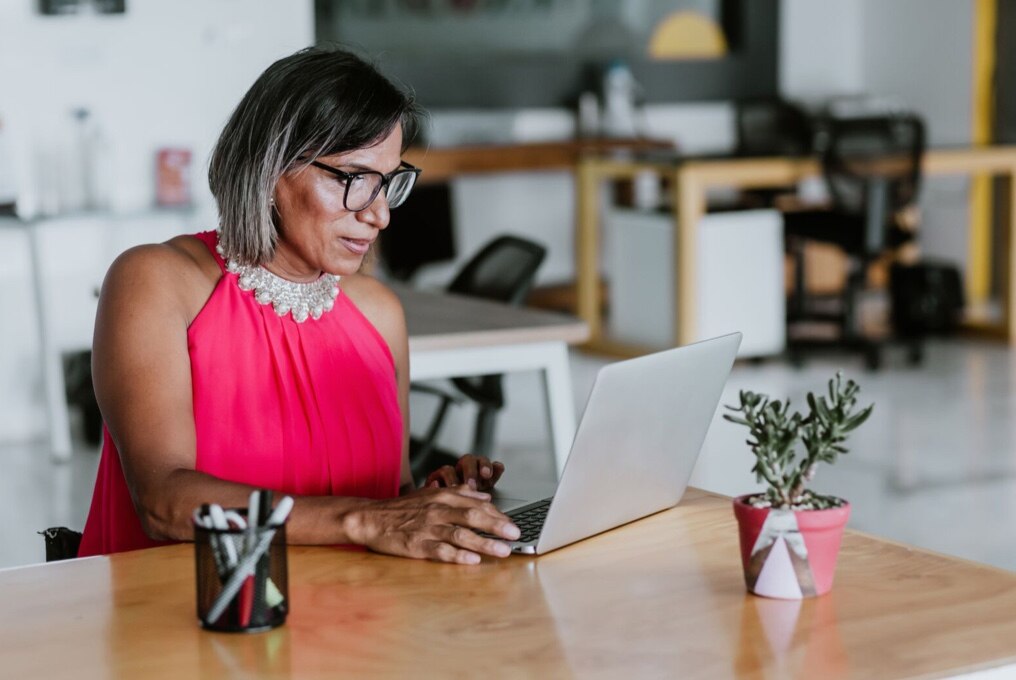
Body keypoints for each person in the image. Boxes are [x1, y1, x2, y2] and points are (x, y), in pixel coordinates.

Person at [77, 46, 520, 564]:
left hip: (356, 619)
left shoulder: (379, 313)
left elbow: (388, 495)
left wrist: (432, 503)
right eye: (354, 179)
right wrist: (363, 519)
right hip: (197, 618)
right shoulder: (156, 281)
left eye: (389, 183)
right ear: (270, 171)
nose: (379, 215)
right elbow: (163, 501)